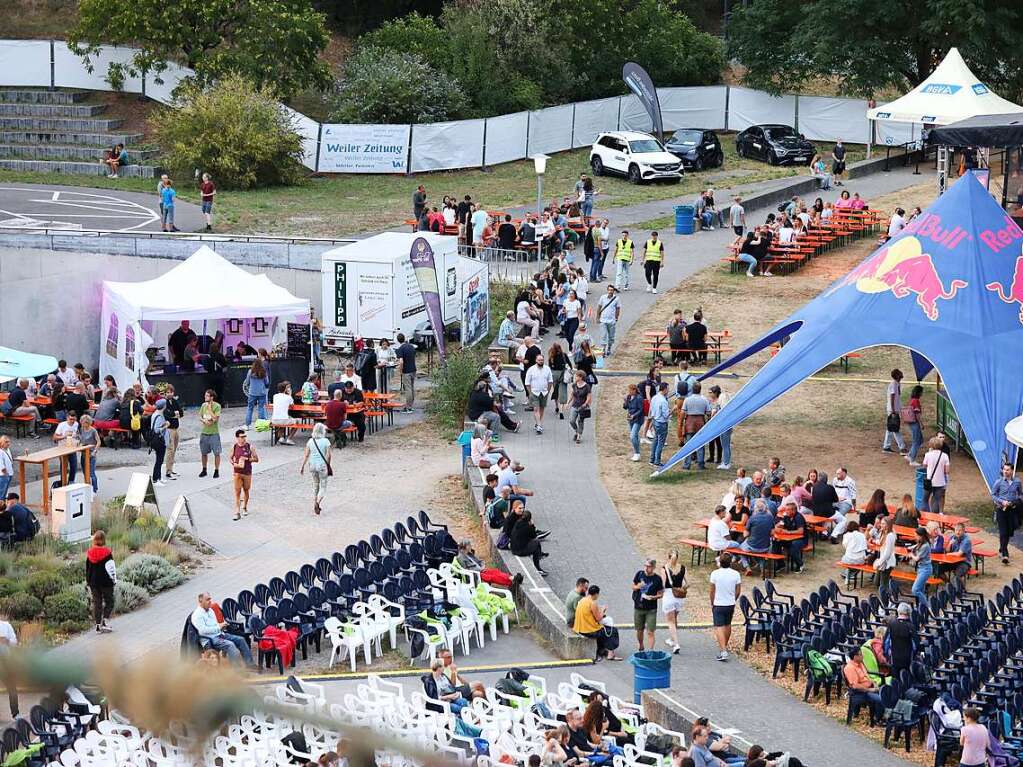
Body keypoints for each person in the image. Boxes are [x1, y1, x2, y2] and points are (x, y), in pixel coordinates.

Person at [192, 592, 253, 667]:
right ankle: (238, 671)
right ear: (201, 601)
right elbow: (202, 631)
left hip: (219, 634)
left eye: (210, 599)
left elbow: (214, 625)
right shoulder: (197, 615)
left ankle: (250, 665)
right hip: (210, 639)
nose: (210, 601)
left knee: (241, 640)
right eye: (207, 600)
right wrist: (218, 628)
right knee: (230, 645)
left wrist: (222, 626)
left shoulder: (210, 611)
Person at [709, 553, 741, 661]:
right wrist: (733, 599)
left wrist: (712, 602)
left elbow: (712, 591)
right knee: (727, 624)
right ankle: (724, 646)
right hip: (730, 603)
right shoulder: (736, 574)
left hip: (718, 603)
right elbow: (738, 590)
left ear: (720, 563)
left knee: (719, 626)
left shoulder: (715, 574)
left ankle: (723, 650)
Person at [992, 462, 1023, 564]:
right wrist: (1002, 501)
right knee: (1003, 532)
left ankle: (1002, 548)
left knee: (1009, 532)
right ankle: (1005, 554)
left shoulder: (1017, 482)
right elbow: (993, 495)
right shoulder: (999, 482)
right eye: (1004, 469)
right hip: (1001, 510)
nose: (1005, 471)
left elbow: (1020, 495)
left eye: (1007, 470)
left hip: (1012, 510)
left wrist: (1015, 501)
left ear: (1012, 471)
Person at [85, 531, 116, 634]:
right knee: (110, 601)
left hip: (94, 582)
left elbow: (88, 569)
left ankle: (98, 626)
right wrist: (114, 579)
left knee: (97, 603)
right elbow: (111, 568)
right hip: (106, 582)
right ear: (103, 540)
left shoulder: (90, 553)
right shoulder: (107, 553)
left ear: (94, 540)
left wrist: (88, 582)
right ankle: (105, 622)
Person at [299, 423, 332, 516]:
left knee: (315, 485)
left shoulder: (310, 441)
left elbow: (306, 455)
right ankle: (317, 502)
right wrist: (328, 465)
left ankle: (314, 502)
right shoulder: (326, 441)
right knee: (323, 486)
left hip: (312, 465)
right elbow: (329, 455)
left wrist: (302, 466)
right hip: (322, 465)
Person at [843, 647, 883, 721]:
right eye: (861, 655)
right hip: (861, 692)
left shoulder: (860, 663)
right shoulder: (850, 668)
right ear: (855, 657)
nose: (863, 656)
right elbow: (855, 686)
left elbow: (867, 677)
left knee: (886, 691)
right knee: (880, 700)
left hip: (870, 687)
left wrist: (874, 683)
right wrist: (870, 690)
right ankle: (877, 720)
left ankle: (879, 716)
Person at [631, 558, 664, 651]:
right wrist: (638, 586)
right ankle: (641, 644)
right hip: (638, 607)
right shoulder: (639, 574)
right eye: (645, 565)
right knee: (639, 630)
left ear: (653, 567)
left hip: (651, 609)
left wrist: (653, 597)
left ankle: (650, 651)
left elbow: (661, 594)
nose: (646, 568)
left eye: (648, 566)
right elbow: (632, 587)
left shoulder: (657, 579)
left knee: (650, 631)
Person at [680, 383, 711, 470]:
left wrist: (681, 423)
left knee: (688, 445)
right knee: (700, 444)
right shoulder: (704, 400)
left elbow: (683, 412)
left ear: (692, 389)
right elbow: (708, 413)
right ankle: (700, 464)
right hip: (700, 422)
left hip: (689, 423)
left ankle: (687, 465)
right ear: (700, 389)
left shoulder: (687, 399)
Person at [661, 549, 687, 654]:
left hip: (669, 595)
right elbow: (687, 583)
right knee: (675, 618)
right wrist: (681, 589)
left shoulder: (664, 569)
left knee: (670, 621)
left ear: (668, 557)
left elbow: (663, 585)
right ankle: (672, 639)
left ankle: (676, 643)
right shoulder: (683, 568)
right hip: (680, 597)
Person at [194, 389, 223, 479]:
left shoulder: (217, 406)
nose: (205, 397)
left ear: (211, 397)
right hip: (204, 432)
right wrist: (204, 421)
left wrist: (210, 410)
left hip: (214, 433)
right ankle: (204, 469)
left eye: (207, 396)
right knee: (203, 452)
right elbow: (200, 416)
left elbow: (215, 419)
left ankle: (216, 470)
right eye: (205, 395)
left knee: (217, 453)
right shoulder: (203, 405)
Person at [740, 500, 774, 574]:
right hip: (765, 547)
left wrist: (751, 533)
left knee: (741, 549)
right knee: (759, 553)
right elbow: (772, 533)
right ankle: (762, 568)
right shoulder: (770, 518)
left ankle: (747, 567)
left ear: (755, 508)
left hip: (752, 546)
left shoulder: (752, 518)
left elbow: (745, 535)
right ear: (765, 508)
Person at [230, 429, 258, 521]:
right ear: (237, 438)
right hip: (237, 472)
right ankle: (237, 512)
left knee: (246, 490)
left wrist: (247, 459)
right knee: (237, 492)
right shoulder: (234, 447)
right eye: (242, 437)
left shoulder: (250, 447)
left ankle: (245, 507)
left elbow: (256, 459)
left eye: (244, 436)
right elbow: (230, 458)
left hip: (247, 472)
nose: (244, 438)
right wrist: (233, 463)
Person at [511, 509, 548, 576]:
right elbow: (534, 536)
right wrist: (532, 525)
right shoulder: (528, 527)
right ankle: (538, 568)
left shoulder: (518, 522)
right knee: (536, 543)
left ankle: (540, 555)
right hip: (520, 550)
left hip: (514, 547)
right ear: (530, 519)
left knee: (535, 543)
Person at [524, 352, 554, 435]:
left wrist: (548, 391)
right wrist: (530, 393)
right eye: (539, 360)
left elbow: (550, 381)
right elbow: (527, 382)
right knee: (536, 409)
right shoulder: (531, 370)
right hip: (534, 392)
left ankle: (538, 423)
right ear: (536, 360)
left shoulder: (547, 369)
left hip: (544, 392)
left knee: (542, 409)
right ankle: (539, 425)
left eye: (542, 360)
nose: (541, 361)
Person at [776, 501, 807, 573]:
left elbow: (801, 531)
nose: (785, 511)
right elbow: (779, 525)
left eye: (787, 510)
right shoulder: (786, 516)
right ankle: (780, 564)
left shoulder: (798, 517)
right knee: (776, 542)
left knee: (793, 545)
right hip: (788, 539)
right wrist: (778, 527)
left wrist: (788, 532)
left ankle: (800, 564)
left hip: (801, 540)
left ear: (793, 510)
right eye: (786, 509)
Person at [922, 436, 950, 515]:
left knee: (925, 499)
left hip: (929, 481)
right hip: (940, 482)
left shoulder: (928, 455)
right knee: (936, 500)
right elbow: (947, 471)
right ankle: (934, 517)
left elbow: (924, 466)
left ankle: (922, 517)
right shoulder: (945, 456)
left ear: (931, 445)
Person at [883, 369, 907, 454]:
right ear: (897, 375)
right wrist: (893, 410)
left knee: (890, 428)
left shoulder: (897, 384)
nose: (902, 374)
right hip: (893, 409)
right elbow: (892, 397)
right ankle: (902, 447)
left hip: (895, 409)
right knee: (895, 428)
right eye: (900, 374)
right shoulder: (893, 384)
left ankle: (886, 446)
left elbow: (898, 395)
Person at [908, 526, 933, 606]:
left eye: (916, 535)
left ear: (921, 536)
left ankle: (927, 607)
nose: (915, 537)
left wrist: (911, 554)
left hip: (925, 569)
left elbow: (916, 559)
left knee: (915, 590)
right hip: (921, 569)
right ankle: (921, 608)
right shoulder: (920, 543)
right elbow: (913, 547)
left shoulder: (925, 546)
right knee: (921, 590)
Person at [649, 382, 671, 468]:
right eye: (668, 389)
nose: (668, 390)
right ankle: (657, 461)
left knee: (655, 440)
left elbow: (651, 410)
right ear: (665, 389)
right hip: (662, 423)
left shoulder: (654, 397)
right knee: (660, 442)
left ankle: (652, 459)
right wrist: (672, 410)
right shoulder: (663, 401)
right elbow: (666, 415)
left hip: (655, 421)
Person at [148, 399, 169, 487]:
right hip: (160, 441)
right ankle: (156, 479)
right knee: (159, 460)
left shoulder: (156, 414)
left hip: (157, 440)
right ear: (163, 406)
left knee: (160, 460)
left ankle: (159, 477)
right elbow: (157, 430)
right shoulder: (159, 416)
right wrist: (166, 426)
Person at [394, 333, 417, 413]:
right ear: (404, 338)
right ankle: (411, 405)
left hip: (406, 370)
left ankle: (408, 407)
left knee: (408, 389)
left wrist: (400, 370)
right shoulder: (411, 346)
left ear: (398, 340)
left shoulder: (400, 349)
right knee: (411, 387)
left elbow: (401, 362)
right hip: (413, 369)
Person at [840, 521, 868, 586]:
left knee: (846, 559)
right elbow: (865, 547)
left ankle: (847, 575)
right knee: (860, 564)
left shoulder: (846, 535)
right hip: (860, 560)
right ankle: (849, 575)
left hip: (849, 559)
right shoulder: (862, 535)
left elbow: (845, 546)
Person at [596, 284, 620, 358]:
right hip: (603, 320)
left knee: (611, 336)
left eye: (611, 290)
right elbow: (599, 307)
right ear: (607, 290)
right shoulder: (602, 297)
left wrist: (616, 318)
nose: (610, 291)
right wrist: (597, 317)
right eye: (609, 290)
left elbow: (618, 309)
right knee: (603, 335)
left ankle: (609, 348)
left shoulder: (616, 299)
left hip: (611, 320)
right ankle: (603, 350)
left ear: (613, 291)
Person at [568, 370, 592, 444]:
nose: (575, 377)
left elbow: (589, 396)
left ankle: (579, 436)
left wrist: (586, 403)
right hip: (575, 405)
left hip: (582, 406)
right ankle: (577, 431)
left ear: (581, 377)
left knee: (580, 421)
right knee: (572, 421)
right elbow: (572, 394)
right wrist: (568, 402)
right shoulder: (574, 385)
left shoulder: (587, 386)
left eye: (577, 376)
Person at [77, 415, 100, 493]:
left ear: (88, 423)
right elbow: (81, 440)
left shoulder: (93, 430)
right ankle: (87, 487)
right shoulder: (81, 429)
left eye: (84, 423)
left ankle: (94, 489)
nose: (82, 424)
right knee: (84, 472)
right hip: (83, 453)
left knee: (91, 473)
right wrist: (78, 444)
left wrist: (95, 451)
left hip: (91, 454)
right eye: (82, 423)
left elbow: (98, 442)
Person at [244, 359, 270, 428]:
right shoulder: (264, 372)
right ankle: (260, 425)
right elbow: (267, 382)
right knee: (261, 408)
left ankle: (247, 425)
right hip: (262, 392)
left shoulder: (250, 371)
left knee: (250, 408)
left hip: (252, 392)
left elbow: (247, 382)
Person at [873, 516, 897, 589]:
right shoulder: (883, 533)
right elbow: (880, 542)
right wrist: (874, 541)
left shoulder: (890, 536)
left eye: (883, 524)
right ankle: (885, 594)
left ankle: (886, 597)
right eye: (881, 523)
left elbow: (888, 553)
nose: (881, 525)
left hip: (887, 562)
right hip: (883, 560)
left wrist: (879, 562)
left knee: (883, 584)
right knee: (876, 582)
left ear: (888, 525)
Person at [624, 384, 644, 462]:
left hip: (638, 419)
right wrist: (625, 401)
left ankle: (637, 453)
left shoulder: (639, 398)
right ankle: (637, 450)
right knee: (635, 436)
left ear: (634, 390)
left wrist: (634, 415)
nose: (629, 392)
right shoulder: (629, 397)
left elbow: (640, 409)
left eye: (630, 390)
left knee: (632, 436)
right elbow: (626, 407)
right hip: (630, 419)